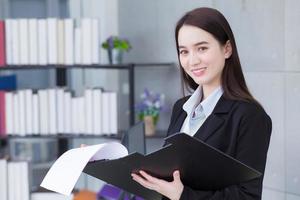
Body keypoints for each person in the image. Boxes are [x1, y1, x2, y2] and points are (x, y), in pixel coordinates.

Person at [131, 7, 272, 200]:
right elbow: (169, 179)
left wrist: (182, 195)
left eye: (202, 48)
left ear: (227, 49)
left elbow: (248, 196)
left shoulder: (250, 116)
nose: (192, 61)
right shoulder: (181, 108)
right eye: (184, 52)